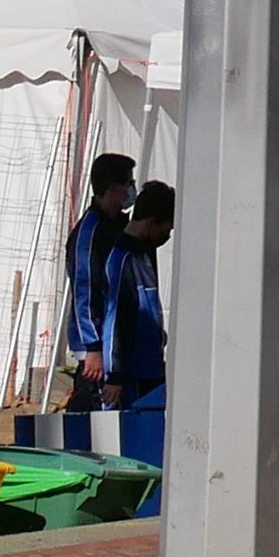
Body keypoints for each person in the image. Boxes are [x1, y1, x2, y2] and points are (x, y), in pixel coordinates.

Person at [90, 180, 176, 409]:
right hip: (130, 377)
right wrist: (115, 375)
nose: (166, 236)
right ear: (151, 223)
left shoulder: (144, 256)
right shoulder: (122, 260)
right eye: (165, 230)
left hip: (150, 368)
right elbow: (115, 319)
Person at [66, 152, 136, 402]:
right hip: (96, 345)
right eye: (128, 184)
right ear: (112, 189)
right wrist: (92, 346)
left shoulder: (116, 226)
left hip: (113, 338)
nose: (132, 190)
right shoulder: (90, 232)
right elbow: (84, 291)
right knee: (92, 408)